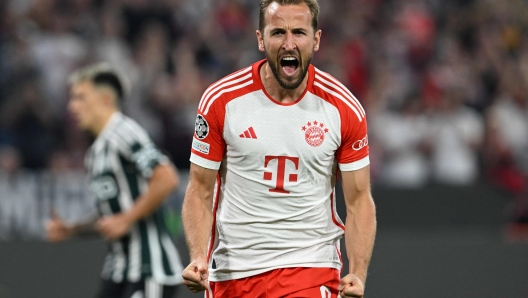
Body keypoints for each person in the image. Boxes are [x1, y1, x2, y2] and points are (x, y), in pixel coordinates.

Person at [181, 1, 376, 297]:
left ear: (317, 39)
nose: (289, 43)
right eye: (277, 33)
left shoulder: (342, 108)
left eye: (299, 32)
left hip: (310, 268)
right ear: (260, 39)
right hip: (233, 274)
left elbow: (359, 200)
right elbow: (200, 188)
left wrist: (357, 273)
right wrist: (198, 256)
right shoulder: (221, 101)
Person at [45, 63, 183, 298]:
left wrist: (127, 218)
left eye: (80, 98)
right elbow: (111, 217)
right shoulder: (95, 153)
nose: (72, 106)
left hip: (150, 270)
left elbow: (167, 177)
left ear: (106, 98)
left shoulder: (123, 132)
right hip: (119, 270)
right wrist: (72, 229)